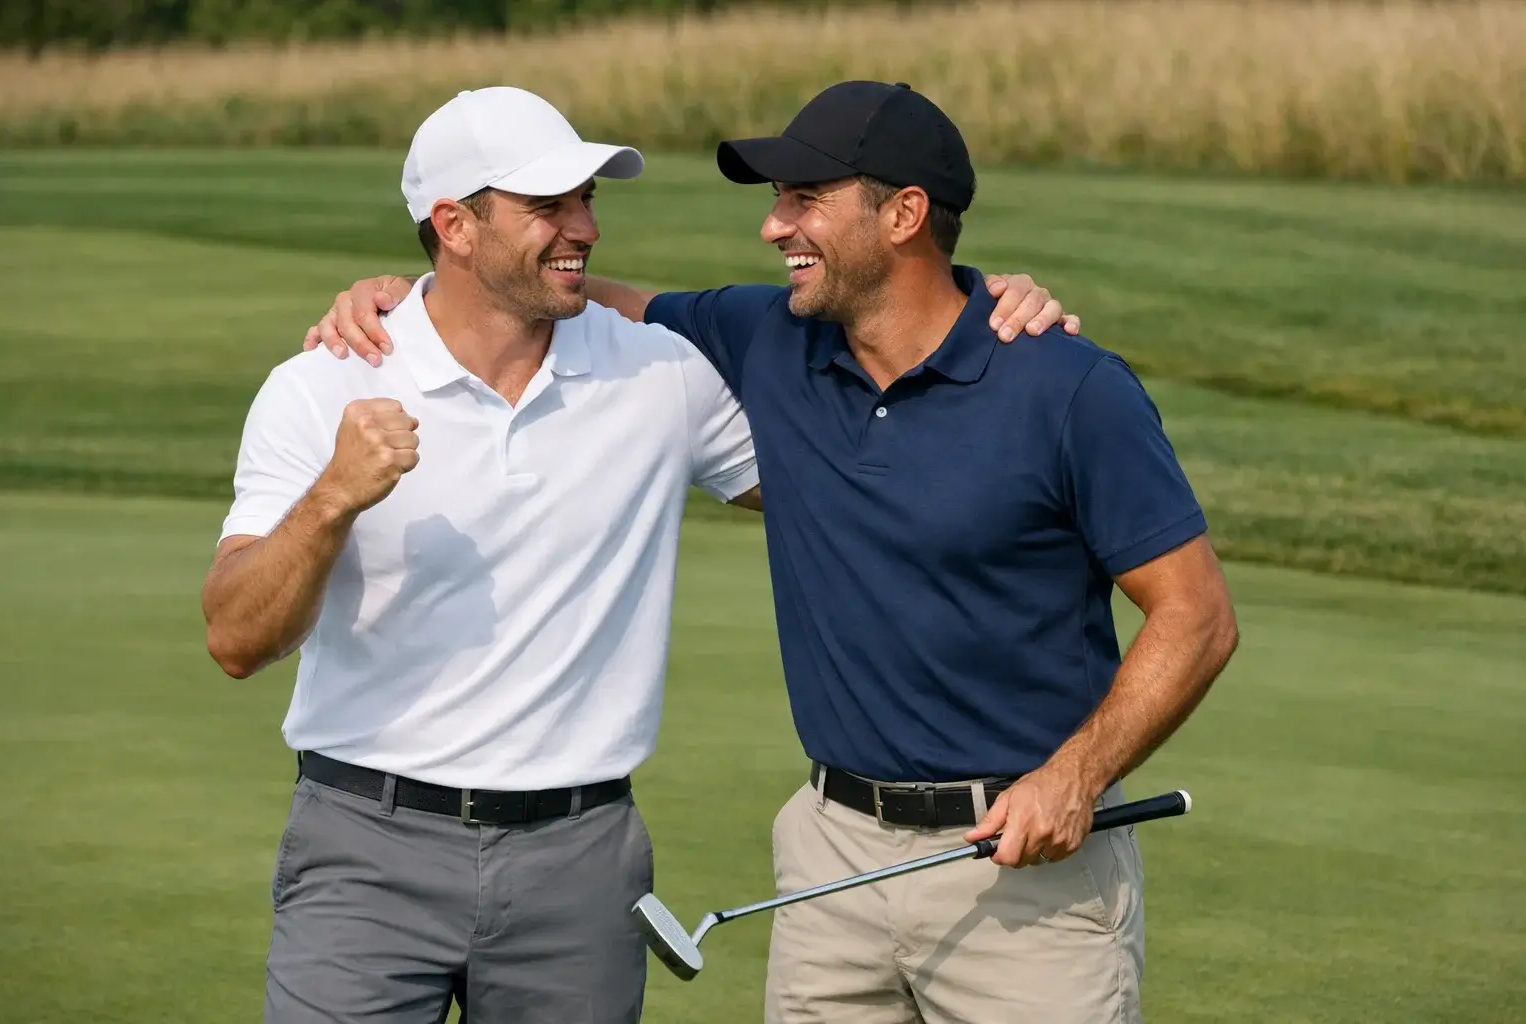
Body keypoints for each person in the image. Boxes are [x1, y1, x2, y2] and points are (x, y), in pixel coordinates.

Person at [314, 81, 1240, 1024]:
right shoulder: (769, 337)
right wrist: (420, 292)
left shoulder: (1067, 386)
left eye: (805, 199)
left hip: (1023, 874)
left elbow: (1197, 616)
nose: (774, 226)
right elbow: (569, 296)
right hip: (828, 867)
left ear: (904, 216)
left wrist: (1076, 776)